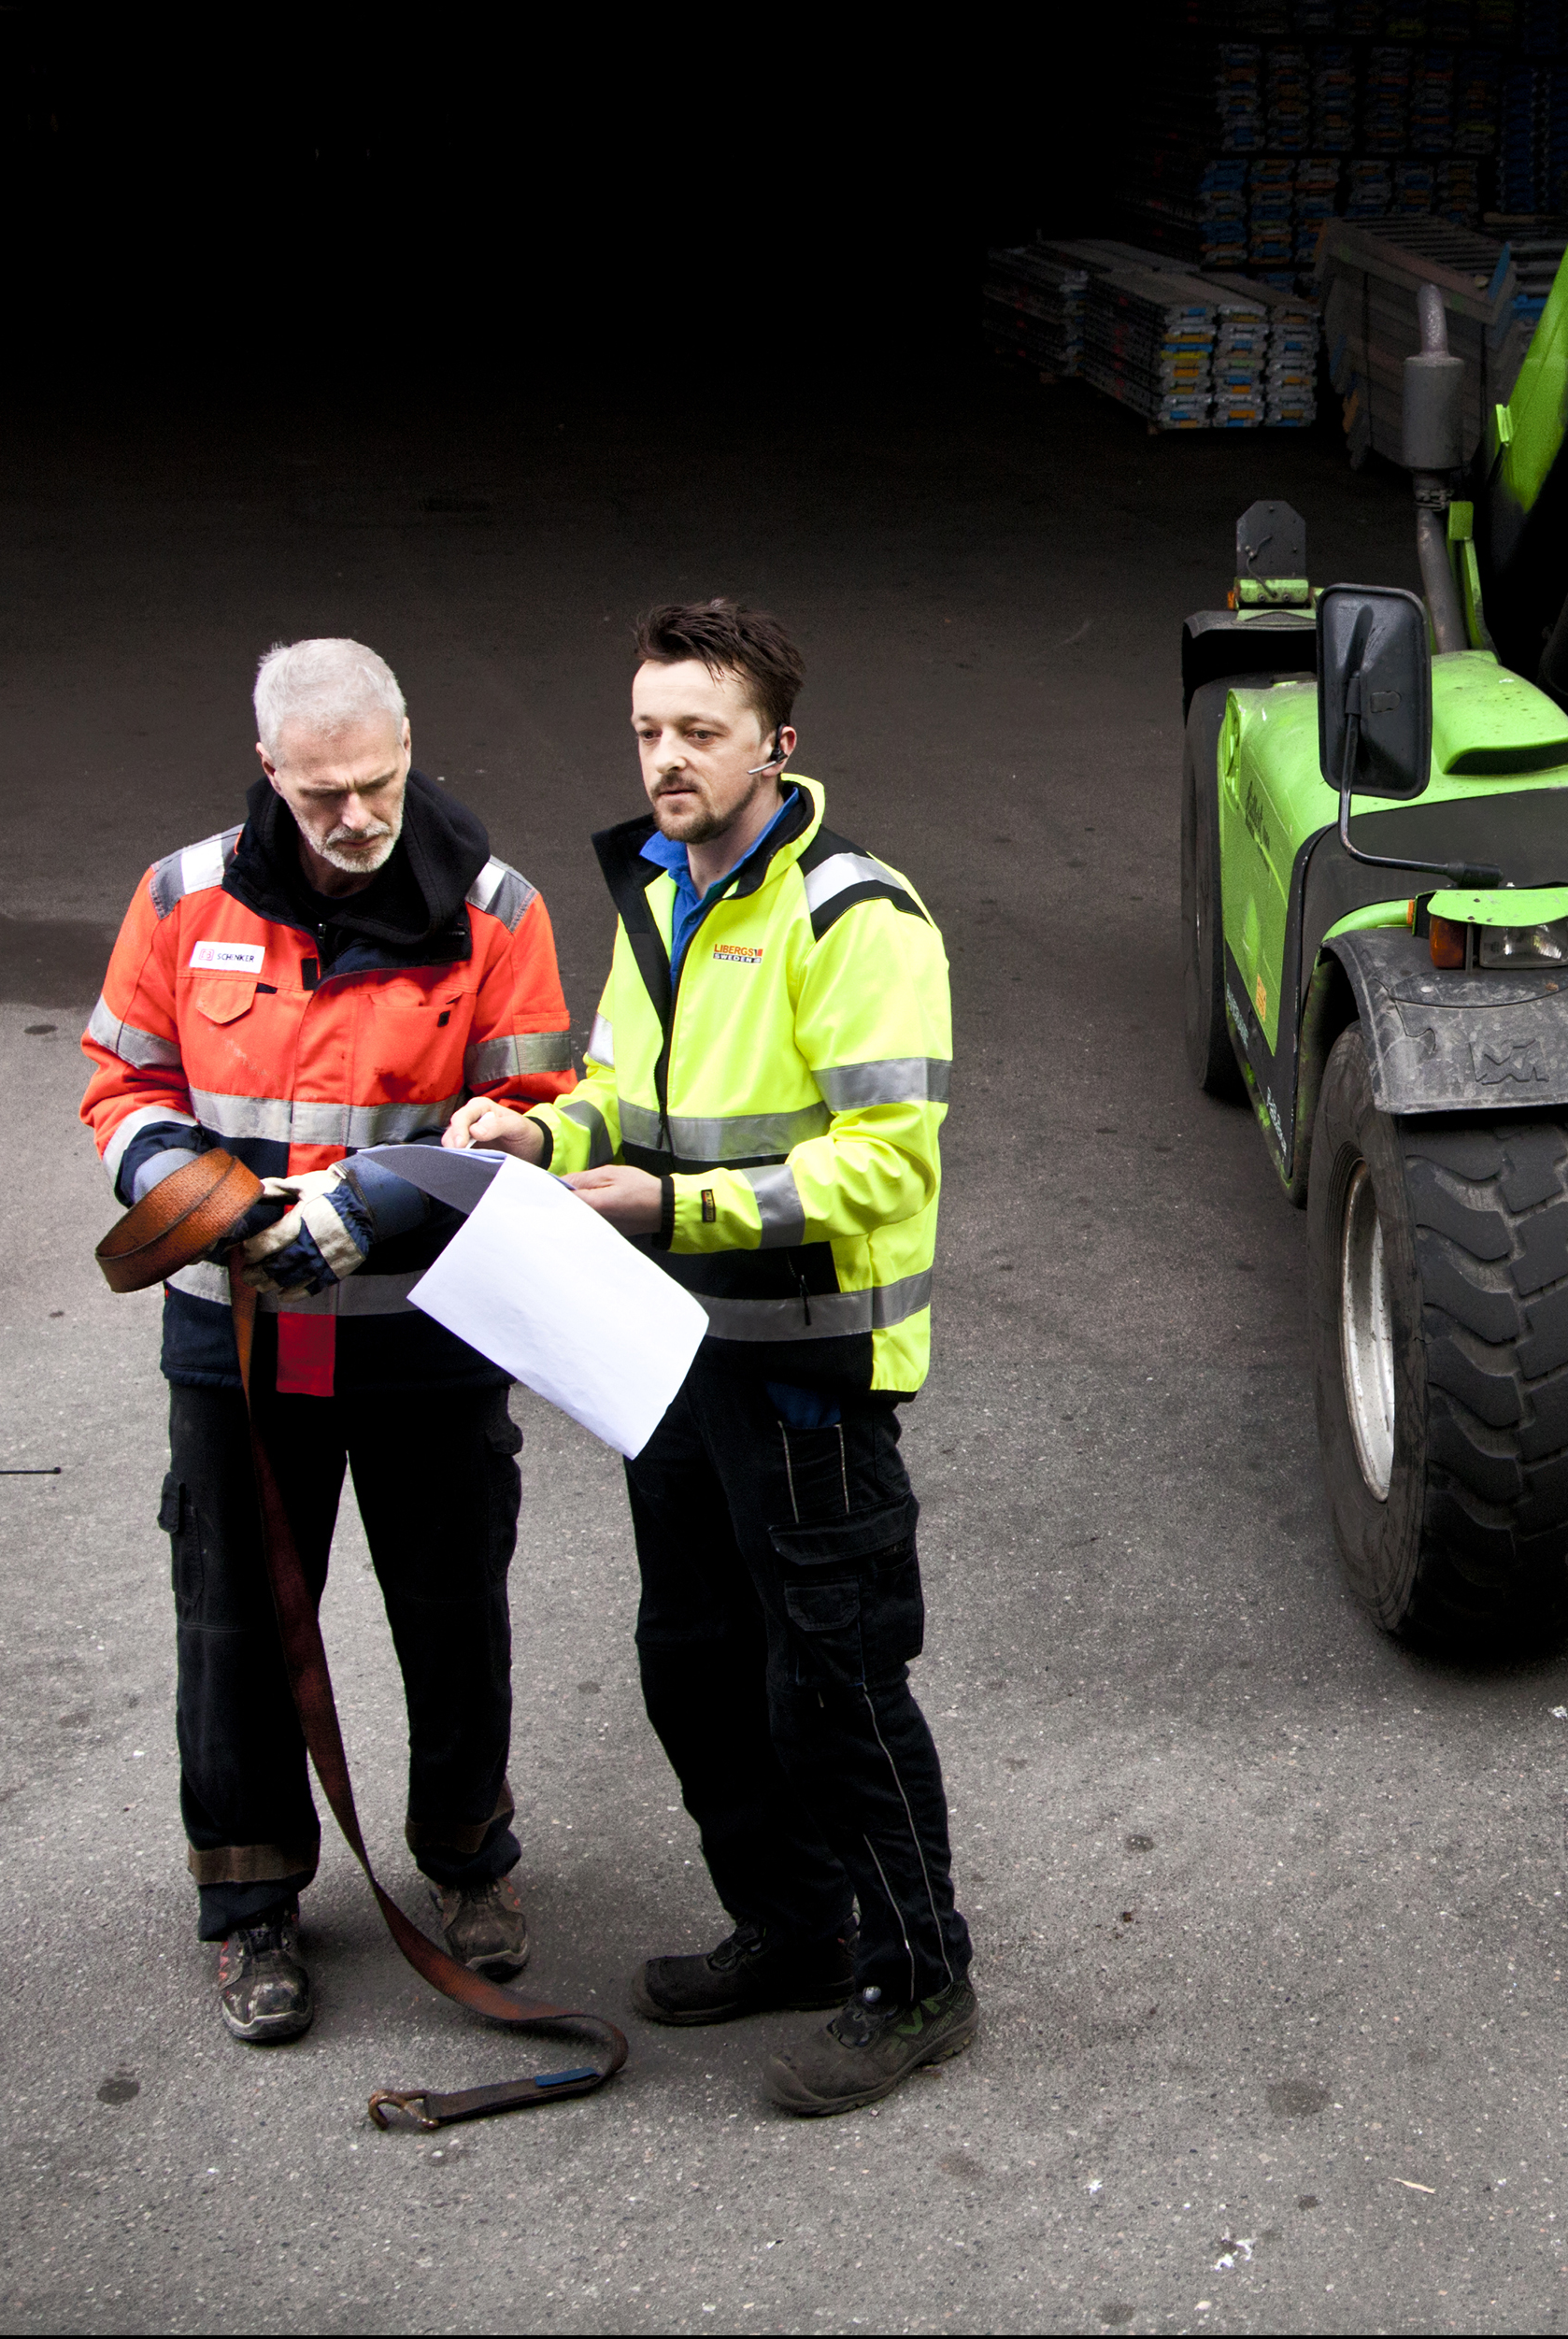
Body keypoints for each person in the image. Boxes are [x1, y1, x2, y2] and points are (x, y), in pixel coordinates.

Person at [449, 596, 972, 2118]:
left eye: (698, 732)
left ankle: (920, 1973)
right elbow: (623, 1088)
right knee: (694, 1665)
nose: (665, 760)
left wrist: (670, 1205)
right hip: (674, 1359)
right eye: (647, 731)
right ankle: (798, 1930)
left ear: (776, 744)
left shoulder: (854, 920)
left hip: (808, 1375)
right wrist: (540, 1132)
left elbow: (889, 1165)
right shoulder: (663, 893)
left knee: (837, 1683)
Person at [79, 637, 577, 2045]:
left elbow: (531, 1119)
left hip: (420, 1333)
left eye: (378, 785)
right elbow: (123, 1080)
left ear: (411, 746)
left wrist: (380, 1211)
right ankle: (247, 1908)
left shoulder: (494, 910)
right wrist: (201, 1197)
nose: (357, 820)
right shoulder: (182, 899)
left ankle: (469, 1861)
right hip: (232, 1336)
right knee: (233, 1623)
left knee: (451, 1605)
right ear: (267, 773)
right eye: (322, 798)